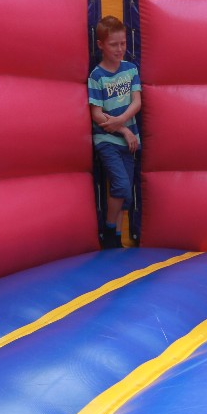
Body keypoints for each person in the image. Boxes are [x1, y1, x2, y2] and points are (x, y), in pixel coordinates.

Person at [88, 15, 141, 249]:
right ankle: (109, 232)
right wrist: (123, 130)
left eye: (123, 43)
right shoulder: (97, 76)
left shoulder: (130, 69)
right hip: (107, 140)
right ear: (101, 44)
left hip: (128, 140)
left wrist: (121, 123)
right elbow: (97, 114)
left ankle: (117, 238)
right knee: (120, 185)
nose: (120, 49)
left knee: (126, 194)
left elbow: (137, 102)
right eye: (113, 45)